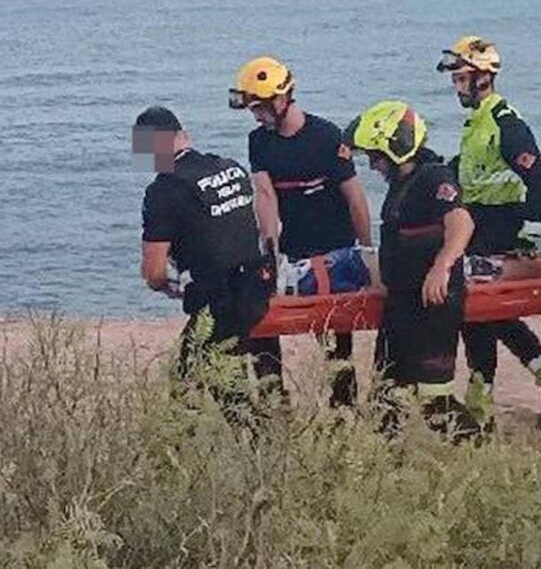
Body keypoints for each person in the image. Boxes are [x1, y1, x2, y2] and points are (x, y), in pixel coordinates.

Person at [436, 36, 541, 429]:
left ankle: (482, 405)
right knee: (491, 315)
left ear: (482, 78)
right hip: (479, 225)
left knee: (479, 313)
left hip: (499, 226)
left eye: (461, 79)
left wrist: (526, 238)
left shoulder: (506, 124)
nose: (456, 87)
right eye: (455, 79)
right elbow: (471, 169)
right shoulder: (478, 121)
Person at [230, 56, 373, 407]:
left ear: (281, 99)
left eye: (260, 108)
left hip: (335, 251)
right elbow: (265, 196)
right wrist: (270, 251)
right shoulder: (259, 141)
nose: (256, 116)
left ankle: (343, 407)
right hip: (293, 249)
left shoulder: (326, 136)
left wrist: (367, 253)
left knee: (334, 343)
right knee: (261, 320)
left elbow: (355, 198)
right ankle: (274, 399)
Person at [343, 100, 481, 441]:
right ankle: (385, 463)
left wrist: (442, 266)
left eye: (376, 156)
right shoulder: (402, 183)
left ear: (397, 147)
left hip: (432, 305)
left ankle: (477, 450)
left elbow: (461, 222)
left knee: (436, 403)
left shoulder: (434, 177)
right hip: (401, 303)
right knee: (385, 398)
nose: (373, 164)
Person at [136, 106, 278, 423]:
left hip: (219, 302)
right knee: (228, 385)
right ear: (183, 135)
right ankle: (258, 440)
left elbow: (154, 271)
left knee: (191, 384)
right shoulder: (229, 167)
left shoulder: (164, 190)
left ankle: (199, 448)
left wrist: (169, 286)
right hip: (257, 290)